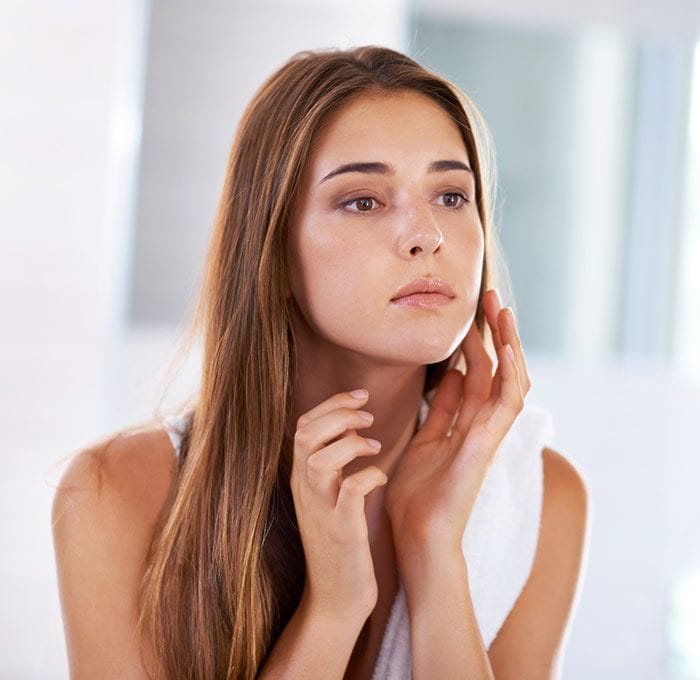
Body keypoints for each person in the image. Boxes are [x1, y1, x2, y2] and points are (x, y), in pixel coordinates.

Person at [51, 45, 590, 680]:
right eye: (364, 201)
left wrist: (434, 550)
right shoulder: (116, 493)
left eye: (450, 195)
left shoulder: (541, 498)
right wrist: (332, 612)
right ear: (272, 252)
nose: (428, 234)